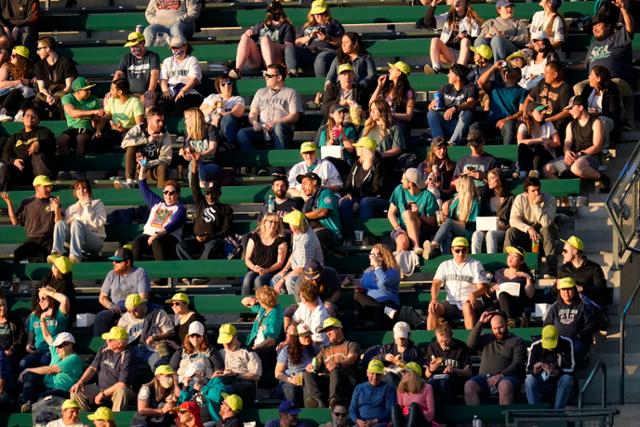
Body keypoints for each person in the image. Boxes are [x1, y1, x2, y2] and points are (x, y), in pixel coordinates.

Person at [544, 95, 608, 187]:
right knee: (547, 169)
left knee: (576, 168)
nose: (569, 111)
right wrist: (567, 153)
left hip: (590, 156)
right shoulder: (570, 124)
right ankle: (564, 190)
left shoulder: (596, 122)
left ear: (580, 107)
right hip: (574, 156)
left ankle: (602, 177)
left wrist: (580, 154)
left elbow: (597, 147)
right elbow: (567, 142)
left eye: (571, 108)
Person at [464, 311, 527, 405]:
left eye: (501, 327)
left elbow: (518, 362)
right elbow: (470, 344)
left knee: (504, 385)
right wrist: (480, 322)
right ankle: (476, 417)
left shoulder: (517, 341)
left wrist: (501, 374)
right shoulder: (487, 338)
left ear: (506, 324)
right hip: (484, 378)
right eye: (494, 328)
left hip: (508, 377)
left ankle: (503, 418)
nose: (498, 331)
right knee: (469, 386)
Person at [236, 63, 303, 151]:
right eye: (265, 74)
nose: (266, 77)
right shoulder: (260, 92)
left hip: (282, 130)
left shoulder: (291, 93)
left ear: (279, 78)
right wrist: (255, 123)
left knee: (278, 127)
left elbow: (294, 116)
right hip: (262, 130)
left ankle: (280, 162)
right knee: (242, 133)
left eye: (269, 76)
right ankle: (255, 162)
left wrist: (276, 122)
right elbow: (253, 113)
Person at [70, 326, 137, 411]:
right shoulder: (104, 348)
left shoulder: (128, 356)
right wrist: (80, 382)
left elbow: (122, 384)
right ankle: (84, 420)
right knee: (76, 391)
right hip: (100, 388)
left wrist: (102, 394)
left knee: (121, 392)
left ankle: (115, 421)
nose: (106, 341)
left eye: (110, 340)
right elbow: (92, 368)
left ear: (119, 344)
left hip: (119, 391)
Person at [427, 237, 488, 330]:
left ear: (468, 250)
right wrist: (434, 299)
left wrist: (474, 294)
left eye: (464, 250)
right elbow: (436, 284)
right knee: (433, 308)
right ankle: (431, 341)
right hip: (451, 303)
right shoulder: (445, 265)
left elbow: (483, 287)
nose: (461, 253)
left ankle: (471, 339)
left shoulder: (475, 264)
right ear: (452, 250)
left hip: (471, 302)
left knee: (466, 306)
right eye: (457, 250)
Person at [504, 177, 559, 277]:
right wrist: (528, 228)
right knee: (510, 232)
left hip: (544, 238)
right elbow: (513, 220)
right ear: (526, 193)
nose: (537, 193)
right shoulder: (520, 199)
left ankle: (552, 269)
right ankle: (506, 267)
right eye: (533, 191)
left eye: (538, 189)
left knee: (546, 229)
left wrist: (536, 206)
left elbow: (546, 223)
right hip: (527, 236)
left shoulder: (550, 199)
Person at [176, 163, 232, 262]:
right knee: (180, 246)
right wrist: (194, 167)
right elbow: (194, 187)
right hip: (197, 239)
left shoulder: (226, 209)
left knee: (212, 245)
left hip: (214, 240)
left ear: (219, 194)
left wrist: (210, 237)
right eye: (207, 193)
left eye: (213, 193)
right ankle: (193, 269)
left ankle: (198, 271)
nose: (210, 196)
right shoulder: (201, 203)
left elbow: (226, 230)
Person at [228, 1, 295, 80]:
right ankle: (238, 69)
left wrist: (270, 44)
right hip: (258, 58)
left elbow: (289, 47)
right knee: (244, 37)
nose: (273, 13)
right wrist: (247, 34)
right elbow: (249, 39)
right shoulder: (261, 24)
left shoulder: (286, 26)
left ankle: (270, 71)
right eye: (270, 11)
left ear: (280, 11)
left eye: (275, 10)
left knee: (265, 39)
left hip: (276, 57)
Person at [303, 318, 361, 408]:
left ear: (339, 328)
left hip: (345, 380)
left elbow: (352, 358)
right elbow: (317, 361)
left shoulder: (351, 345)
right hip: (328, 380)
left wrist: (338, 364)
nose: (328, 333)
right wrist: (311, 366)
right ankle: (317, 401)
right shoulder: (324, 350)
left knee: (335, 370)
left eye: (330, 330)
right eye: (326, 331)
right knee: (307, 373)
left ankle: (334, 401)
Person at [18, 331, 81, 412]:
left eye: (60, 346)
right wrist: (43, 320)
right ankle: (26, 403)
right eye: (56, 347)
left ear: (70, 345)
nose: (57, 349)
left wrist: (27, 369)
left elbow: (50, 369)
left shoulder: (73, 358)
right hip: (47, 387)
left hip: (61, 391)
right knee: (29, 376)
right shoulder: (58, 354)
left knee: (41, 399)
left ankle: (31, 406)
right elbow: (47, 336)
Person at [339, 136, 387, 242]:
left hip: (377, 198)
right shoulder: (357, 163)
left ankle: (365, 237)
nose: (356, 148)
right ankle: (349, 237)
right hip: (358, 197)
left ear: (366, 149)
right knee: (345, 202)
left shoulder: (379, 164)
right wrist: (350, 194)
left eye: (359, 147)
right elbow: (348, 182)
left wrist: (358, 200)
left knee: (365, 202)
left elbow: (377, 189)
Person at [94, 247, 150, 336]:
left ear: (127, 262)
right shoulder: (111, 274)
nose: (114, 263)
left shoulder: (139, 272)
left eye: (117, 261)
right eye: (114, 261)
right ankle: (102, 347)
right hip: (117, 310)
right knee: (101, 317)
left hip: (135, 310)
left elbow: (143, 298)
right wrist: (111, 305)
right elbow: (102, 297)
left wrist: (131, 308)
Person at [2, 175, 58, 262]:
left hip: (48, 240)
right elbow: (15, 222)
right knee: (18, 254)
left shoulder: (53, 201)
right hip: (32, 240)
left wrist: (57, 209)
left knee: (42, 257)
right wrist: (9, 204)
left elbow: (58, 223)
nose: (49, 189)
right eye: (45, 186)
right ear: (37, 188)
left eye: (49, 186)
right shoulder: (27, 202)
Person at [132, 175, 186, 264]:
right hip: (149, 238)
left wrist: (156, 235)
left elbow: (172, 225)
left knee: (157, 242)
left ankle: (161, 275)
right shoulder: (157, 203)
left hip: (168, 239)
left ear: (178, 194)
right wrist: (142, 168)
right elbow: (143, 187)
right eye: (166, 192)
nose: (168, 195)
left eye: (172, 193)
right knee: (138, 241)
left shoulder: (180, 209)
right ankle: (134, 274)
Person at [50, 179, 106, 263]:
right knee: (60, 223)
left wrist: (87, 206)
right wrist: (57, 210)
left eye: (84, 188)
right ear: (75, 192)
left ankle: (75, 256)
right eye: (78, 188)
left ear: (89, 190)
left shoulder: (97, 203)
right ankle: (56, 253)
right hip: (76, 241)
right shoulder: (71, 208)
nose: (81, 191)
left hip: (95, 240)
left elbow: (96, 224)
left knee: (76, 223)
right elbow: (61, 227)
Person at [0, 108, 55, 191]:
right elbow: (6, 153)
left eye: (33, 116)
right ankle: (3, 196)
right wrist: (13, 161)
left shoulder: (44, 132)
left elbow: (50, 143)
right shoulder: (15, 137)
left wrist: (39, 143)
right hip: (20, 171)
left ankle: (43, 187)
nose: (30, 118)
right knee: (4, 168)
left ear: (38, 120)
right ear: (22, 118)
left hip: (38, 171)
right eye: (27, 115)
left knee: (38, 153)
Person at [424, 175, 479, 258]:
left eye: (458, 183)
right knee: (447, 234)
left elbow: (468, 225)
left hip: (467, 232)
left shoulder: (474, 202)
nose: (455, 184)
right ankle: (445, 258)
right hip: (453, 228)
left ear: (464, 186)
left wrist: (447, 219)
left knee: (449, 223)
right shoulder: (456, 198)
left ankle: (433, 245)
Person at [474, 61, 527, 145]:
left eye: (511, 70)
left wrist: (506, 119)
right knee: (475, 127)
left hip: (507, 122)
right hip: (491, 122)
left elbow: (521, 111)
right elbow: (480, 82)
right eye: (506, 70)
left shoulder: (522, 91)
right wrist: (493, 67)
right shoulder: (495, 85)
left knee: (509, 127)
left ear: (519, 75)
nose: (507, 72)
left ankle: (508, 155)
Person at [272, 210, 323, 296]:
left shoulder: (306, 241)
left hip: (311, 273)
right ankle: (282, 304)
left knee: (290, 281)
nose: (289, 225)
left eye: (290, 224)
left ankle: (295, 304)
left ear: (294, 227)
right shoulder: (299, 231)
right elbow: (294, 254)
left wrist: (283, 279)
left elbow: (302, 269)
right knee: (275, 279)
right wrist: (284, 270)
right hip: (297, 269)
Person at [544, 277, 595, 362]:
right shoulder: (554, 308)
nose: (566, 292)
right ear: (559, 291)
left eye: (569, 289)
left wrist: (579, 335)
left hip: (577, 341)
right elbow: (547, 326)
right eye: (563, 289)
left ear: (574, 290)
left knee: (576, 349)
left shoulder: (583, 307)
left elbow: (590, 325)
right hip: (557, 341)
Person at [117, 294, 175, 370]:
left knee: (159, 367)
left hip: (153, 349)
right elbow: (117, 335)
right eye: (129, 311)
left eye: (134, 310)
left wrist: (156, 337)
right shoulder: (125, 317)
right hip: (132, 349)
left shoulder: (157, 313)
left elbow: (171, 332)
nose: (132, 314)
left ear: (142, 305)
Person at [288, 0, 344, 78]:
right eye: (316, 13)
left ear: (326, 12)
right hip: (308, 52)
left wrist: (328, 39)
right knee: (290, 48)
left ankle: (320, 85)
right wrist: (310, 36)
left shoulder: (333, 23)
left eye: (321, 13)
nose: (318, 16)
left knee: (320, 59)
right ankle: (292, 74)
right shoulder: (307, 25)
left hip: (327, 51)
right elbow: (297, 42)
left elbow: (343, 42)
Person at [119, 107, 172, 189]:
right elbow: (124, 143)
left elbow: (166, 159)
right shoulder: (138, 129)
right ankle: (130, 182)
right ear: (149, 121)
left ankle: (162, 197)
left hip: (152, 170)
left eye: (162, 121)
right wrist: (146, 140)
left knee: (162, 167)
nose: (161, 124)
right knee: (130, 148)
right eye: (158, 121)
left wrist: (146, 164)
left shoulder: (165, 135)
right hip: (138, 169)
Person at [421, 0, 483, 70]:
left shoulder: (472, 19)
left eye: (460, 1)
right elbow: (428, 21)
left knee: (465, 41)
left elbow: (476, 39)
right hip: (450, 53)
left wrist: (465, 37)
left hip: (465, 53)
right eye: (455, 0)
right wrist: (433, 5)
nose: (457, 2)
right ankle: (436, 67)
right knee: (435, 40)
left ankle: (460, 70)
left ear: (466, 4)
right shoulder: (448, 16)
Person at [388, 168, 438, 254]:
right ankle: (401, 263)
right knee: (402, 241)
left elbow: (432, 222)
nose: (401, 181)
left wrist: (418, 214)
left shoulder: (428, 196)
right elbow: (390, 214)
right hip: (402, 228)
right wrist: (398, 228)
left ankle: (416, 246)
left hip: (421, 230)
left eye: (403, 179)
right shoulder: (399, 190)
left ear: (410, 183)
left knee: (407, 214)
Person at [585, 2, 634, 88]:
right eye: (593, 27)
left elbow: (630, 28)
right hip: (595, 81)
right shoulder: (594, 44)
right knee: (578, 87)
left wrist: (623, 8)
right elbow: (586, 63)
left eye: (598, 25)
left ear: (608, 26)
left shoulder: (618, 37)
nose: (594, 29)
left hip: (614, 81)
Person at [242, 286, 283, 388]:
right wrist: (250, 299)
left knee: (251, 356)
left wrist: (257, 347)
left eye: (260, 301)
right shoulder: (263, 309)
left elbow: (271, 340)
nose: (259, 302)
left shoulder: (275, 314)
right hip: (255, 344)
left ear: (265, 303)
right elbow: (243, 302)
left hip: (266, 348)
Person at [21, 284, 70, 371]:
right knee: (23, 363)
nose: (40, 302)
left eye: (43, 298)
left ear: (51, 297)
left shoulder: (59, 313)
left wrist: (47, 291)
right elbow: (30, 336)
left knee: (44, 360)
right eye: (39, 299)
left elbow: (65, 300)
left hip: (54, 352)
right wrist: (29, 346)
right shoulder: (35, 316)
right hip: (38, 352)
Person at [525, 324, 575, 409]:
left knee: (567, 379)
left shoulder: (567, 342)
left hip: (559, 379)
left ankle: (558, 413)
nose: (550, 348)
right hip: (541, 378)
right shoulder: (536, 345)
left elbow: (571, 368)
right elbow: (528, 370)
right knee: (529, 380)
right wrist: (535, 370)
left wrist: (557, 372)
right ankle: (535, 413)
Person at [427, 64, 477, 146]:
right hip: (447, 123)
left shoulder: (470, 88)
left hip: (462, 126)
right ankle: (439, 143)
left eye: (450, 73)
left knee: (467, 113)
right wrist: (432, 105)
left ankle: (452, 143)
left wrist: (455, 108)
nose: (448, 75)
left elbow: (471, 103)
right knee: (431, 114)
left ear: (457, 77)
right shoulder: (446, 88)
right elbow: (431, 104)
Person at [58, 76, 106, 161]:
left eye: (89, 89)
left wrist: (97, 129)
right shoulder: (67, 98)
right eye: (86, 90)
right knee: (62, 139)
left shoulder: (94, 99)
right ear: (78, 91)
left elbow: (99, 118)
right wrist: (93, 112)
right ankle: (67, 164)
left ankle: (78, 167)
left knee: (81, 138)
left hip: (87, 128)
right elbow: (73, 113)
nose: (89, 92)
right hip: (73, 128)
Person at [424, 320, 472, 406]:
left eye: (446, 341)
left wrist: (455, 370)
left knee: (445, 383)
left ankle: (445, 413)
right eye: (440, 341)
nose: (443, 344)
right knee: (430, 384)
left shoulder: (460, 346)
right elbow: (427, 375)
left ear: (451, 336)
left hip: (454, 380)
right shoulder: (432, 347)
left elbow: (469, 371)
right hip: (435, 379)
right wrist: (431, 369)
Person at [354, 244, 401, 328]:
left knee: (378, 314)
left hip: (388, 302)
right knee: (357, 296)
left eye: (373, 255)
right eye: (370, 255)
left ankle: (383, 309)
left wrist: (377, 266)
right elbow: (362, 285)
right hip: (370, 304)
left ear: (383, 257)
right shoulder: (368, 272)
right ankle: (384, 309)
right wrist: (353, 283)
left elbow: (382, 283)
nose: (371, 257)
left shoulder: (393, 271)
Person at [214, 323, 262, 405]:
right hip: (225, 381)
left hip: (244, 384)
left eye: (229, 341)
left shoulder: (248, 352)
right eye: (224, 342)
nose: (226, 345)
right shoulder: (221, 352)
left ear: (235, 336)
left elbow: (256, 375)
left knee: (225, 389)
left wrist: (236, 374)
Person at [32, 37, 77, 120]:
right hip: (47, 94)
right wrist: (48, 96)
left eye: (39, 49)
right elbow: (41, 88)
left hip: (63, 94)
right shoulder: (39, 65)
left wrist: (57, 96)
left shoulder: (65, 62)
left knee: (64, 101)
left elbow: (69, 87)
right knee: (36, 103)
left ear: (48, 48)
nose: (37, 52)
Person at [242, 214, 288, 295]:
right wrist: (254, 268)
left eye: (276, 222)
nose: (273, 224)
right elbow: (247, 258)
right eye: (270, 221)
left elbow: (280, 263)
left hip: (271, 271)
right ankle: (246, 303)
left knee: (259, 280)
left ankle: (263, 304)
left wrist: (267, 270)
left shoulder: (281, 241)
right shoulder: (255, 236)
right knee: (247, 279)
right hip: (255, 269)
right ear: (264, 222)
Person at [558, 235, 608, 309]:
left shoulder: (593, 268)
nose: (562, 253)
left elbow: (601, 289)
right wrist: (556, 286)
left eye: (565, 251)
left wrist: (583, 288)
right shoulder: (564, 269)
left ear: (574, 251)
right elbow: (554, 292)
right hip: (569, 308)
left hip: (588, 307)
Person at [487, 246, 534, 325]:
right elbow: (488, 294)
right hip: (500, 304)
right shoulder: (498, 273)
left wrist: (528, 278)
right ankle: (509, 320)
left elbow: (530, 295)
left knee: (503, 294)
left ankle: (508, 320)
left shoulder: (524, 275)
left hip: (517, 305)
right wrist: (492, 288)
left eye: (515, 256)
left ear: (521, 261)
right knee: (500, 297)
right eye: (510, 255)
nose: (511, 258)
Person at [113, 32, 161, 109]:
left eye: (136, 45)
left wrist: (150, 90)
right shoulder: (126, 57)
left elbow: (155, 73)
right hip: (128, 94)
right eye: (131, 46)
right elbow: (118, 74)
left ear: (143, 43)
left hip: (146, 93)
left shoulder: (152, 56)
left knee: (149, 98)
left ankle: (147, 121)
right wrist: (113, 90)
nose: (134, 49)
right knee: (108, 99)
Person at [523, 61, 571, 137]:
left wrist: (548, 121)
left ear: (555, 74)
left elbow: (567, 112)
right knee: (520, 126)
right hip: (536, 118)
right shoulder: (542, 83)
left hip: (553, 123)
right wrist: (525, 114)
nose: (544, 74)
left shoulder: (565, 89)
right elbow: (528, 98)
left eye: (546, 72)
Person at [471, 168, 513, 254]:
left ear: (500, 179)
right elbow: (481, 216)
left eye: (492, 178)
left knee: (491, 234)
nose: (489, 181)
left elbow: (513, 219)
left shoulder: (510, 198)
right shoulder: (485, 198)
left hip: (501, 230)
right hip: (485, 229)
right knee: (476, 234)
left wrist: (505, 227)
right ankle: (475, 261)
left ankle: (492, 259)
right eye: (488, 179)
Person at [275, 323, 318, 406]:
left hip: (308, 379)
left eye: (309, 335)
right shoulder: (287, 351)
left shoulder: (314, 349)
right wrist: (290, 379)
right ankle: (291, 411)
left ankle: (312, 406)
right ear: (297, 337)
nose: (308, 338)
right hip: (291, 380)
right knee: (290, 388)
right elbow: (278, 373)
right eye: (305, 336)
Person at [158, 37, 202, 116]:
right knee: (162, 106)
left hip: (188, 91)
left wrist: (183, 91)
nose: (176, 50)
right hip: (171, 90)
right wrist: (165, 91)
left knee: (179, 104)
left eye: (178, 47)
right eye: (174, 48)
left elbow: (193, 80)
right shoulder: (167, 61)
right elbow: (163, 79)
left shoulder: (192, 60)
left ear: (185, 46)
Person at [581, 65, 622, 149]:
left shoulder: (611, 89)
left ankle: (604, 149)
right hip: (588, 117)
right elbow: (580, 104)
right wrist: (587, 111)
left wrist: (599, 113)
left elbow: (613, 112)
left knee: (602, 121)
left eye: (591, 75)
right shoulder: (587, 88)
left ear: (598, 78)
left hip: (608, 119)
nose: (588, 77)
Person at [516, 102, 561, 178]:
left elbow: (558, 143)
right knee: (523, 146)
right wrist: (541, 139)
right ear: (530, 113)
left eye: (544, 110)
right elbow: (520, 142)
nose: (543, 112)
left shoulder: (548, 124)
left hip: (546, 157)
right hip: (530, 158)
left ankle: (535, 173)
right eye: (540, 111)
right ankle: (522, 173)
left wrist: (549, 142)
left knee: (538, 147)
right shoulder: (523, 126)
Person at [370, 61, 415, 137]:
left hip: (398, 127)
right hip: (384, 125)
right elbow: (371, 103)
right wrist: (379, 86)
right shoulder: (387, 89)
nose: (389, 70)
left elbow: (409, 116)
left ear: (399, 73)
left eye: (392, 69)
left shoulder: (408, 93)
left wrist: (391, 114)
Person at [299, 171, 343, 249]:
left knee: (312, 238)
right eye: (302, 184)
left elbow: (324, 211)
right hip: (313, 231)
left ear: (314, 182)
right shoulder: (308, 202)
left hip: (331, 233)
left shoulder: (326, 193)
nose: (302, 187)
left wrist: (302, 215)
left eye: (305, 183)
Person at [179, 107, 222, 186]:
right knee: (193, 163)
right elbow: (189, 158)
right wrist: (185, 154)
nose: (185, 121)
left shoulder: (210, 129)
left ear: (194, 119)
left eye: (187, 118)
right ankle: (202, 185)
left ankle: (197, 187)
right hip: (196, 166)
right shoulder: (188, 134)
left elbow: (212, 150)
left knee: (194, 165)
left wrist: (198, 155)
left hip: (211, 164)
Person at [199, 73, 245, 147]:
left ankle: (228, 144)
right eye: (223, 84)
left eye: (229, 83)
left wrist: (219, 115)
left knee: (228, 118)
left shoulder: (237, 99)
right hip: (210, 126)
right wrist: (212, 107)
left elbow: (237, 113)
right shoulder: (212, 97)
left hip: (225, 127)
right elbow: (199, 113)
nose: (227, 86)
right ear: (218, 87)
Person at [349, 359, 396, 427]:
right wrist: (357, 420)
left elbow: (390, 410)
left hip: (380, 423)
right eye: (372, 373)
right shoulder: (359, 388)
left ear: (382, 374)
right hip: (361, 423)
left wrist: (375, 421)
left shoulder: (388, 388)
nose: (375, 377)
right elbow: (352, 409)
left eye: (378, 374)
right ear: (367, 373)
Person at [375, 322, 423, 387]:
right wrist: (384, 357)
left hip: (409, 381)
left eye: (403, 338)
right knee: (390, 376)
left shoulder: (416, 351)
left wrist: (403, 365)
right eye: (398, 337)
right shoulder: (386, 348)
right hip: (390, 381)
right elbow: (373, 361)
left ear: (408, 336)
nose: (400, 340)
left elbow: (419, 370)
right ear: (394, 335)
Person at [392, 362, 436, 427]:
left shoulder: (427, 387)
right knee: (395, 407)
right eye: (402, 371)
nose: (403, 374)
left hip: (421, 420)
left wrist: (414, 412)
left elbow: (431, 413)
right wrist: (407, 413)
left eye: (406, 372)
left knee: (414, 406)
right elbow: (399, 409)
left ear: (414, 375)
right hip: (405, 418)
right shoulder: (401, 389)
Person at [287, 281, 330, 347]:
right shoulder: (305, 304)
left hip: (318, 349)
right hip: (306, 341)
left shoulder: (320, 317)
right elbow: (295, 320)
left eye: (300, 295)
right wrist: (288, 339)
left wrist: (296, 332)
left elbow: (315, 343)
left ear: (303, 299)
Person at [103, 78, 145, 145]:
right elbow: (106, 116)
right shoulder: (112, 100)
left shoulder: (135, 102)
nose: (110, 91)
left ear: (120, 92)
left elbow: (140, 127)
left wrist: (123, 129)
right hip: (113, 132)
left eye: (112, 89)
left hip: (129, 133)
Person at [0, 45, 35, 122]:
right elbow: (1, 84)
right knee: (16, 91)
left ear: (20, 58)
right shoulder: (7, 66)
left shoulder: (30, 69)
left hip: (21, 99)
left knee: (29, 92)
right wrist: (20, 82)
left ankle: (20, 114)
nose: (10, 57)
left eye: (13, 55)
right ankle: (2, 113)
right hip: (4, 97)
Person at [418, 137, 456, 202]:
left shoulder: (451, 166)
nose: (442, 151)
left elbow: (452, 189)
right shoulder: (423, 165)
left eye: (444, 148)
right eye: (439, 148)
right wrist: (427, 182)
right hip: (425, 198)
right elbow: (417, 186)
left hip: (443, 198)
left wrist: (438, 189)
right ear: (433, 149)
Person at [0, 291, 27, 373]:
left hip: (11, 354)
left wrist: (11, 350)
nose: (3, 308)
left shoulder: (14, 319)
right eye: (0, 305)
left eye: (4, 305)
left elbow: (22, 337)